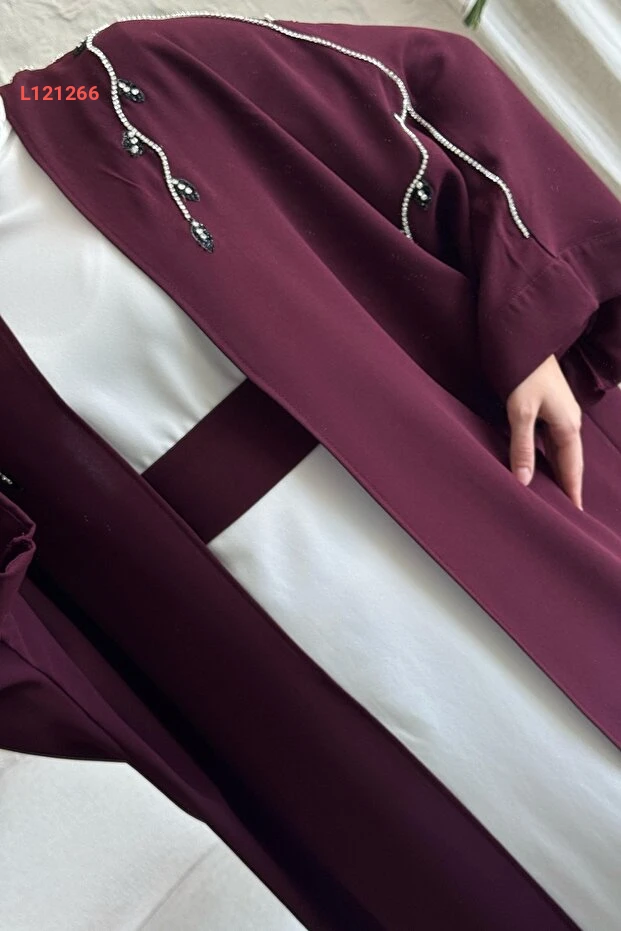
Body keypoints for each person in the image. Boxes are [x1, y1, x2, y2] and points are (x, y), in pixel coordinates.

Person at [1, 13, 621, 930]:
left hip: (463, 486)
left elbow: (419, 89)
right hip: (258, 656)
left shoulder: (101, 87)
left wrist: (527, 300)